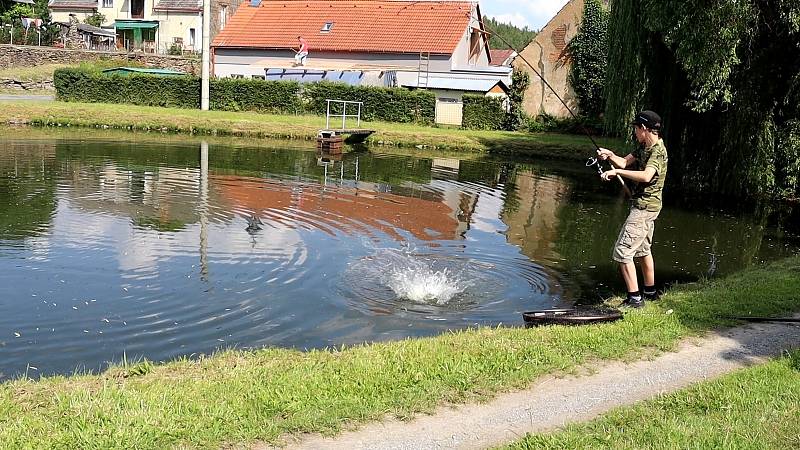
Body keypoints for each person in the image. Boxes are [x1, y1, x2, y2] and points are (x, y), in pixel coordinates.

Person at [597, 110, 668, 308]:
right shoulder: (644, 146)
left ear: (644, 128)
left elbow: (646, 176)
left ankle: (635, 299)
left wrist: (617, 172)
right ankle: (651, 293)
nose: (635, 132)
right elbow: (625, 161)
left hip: (645, 208)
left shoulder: (657, 152)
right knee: (644, 250)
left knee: (622, 251)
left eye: (636, 128)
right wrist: (610, 156)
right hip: (644, 205)